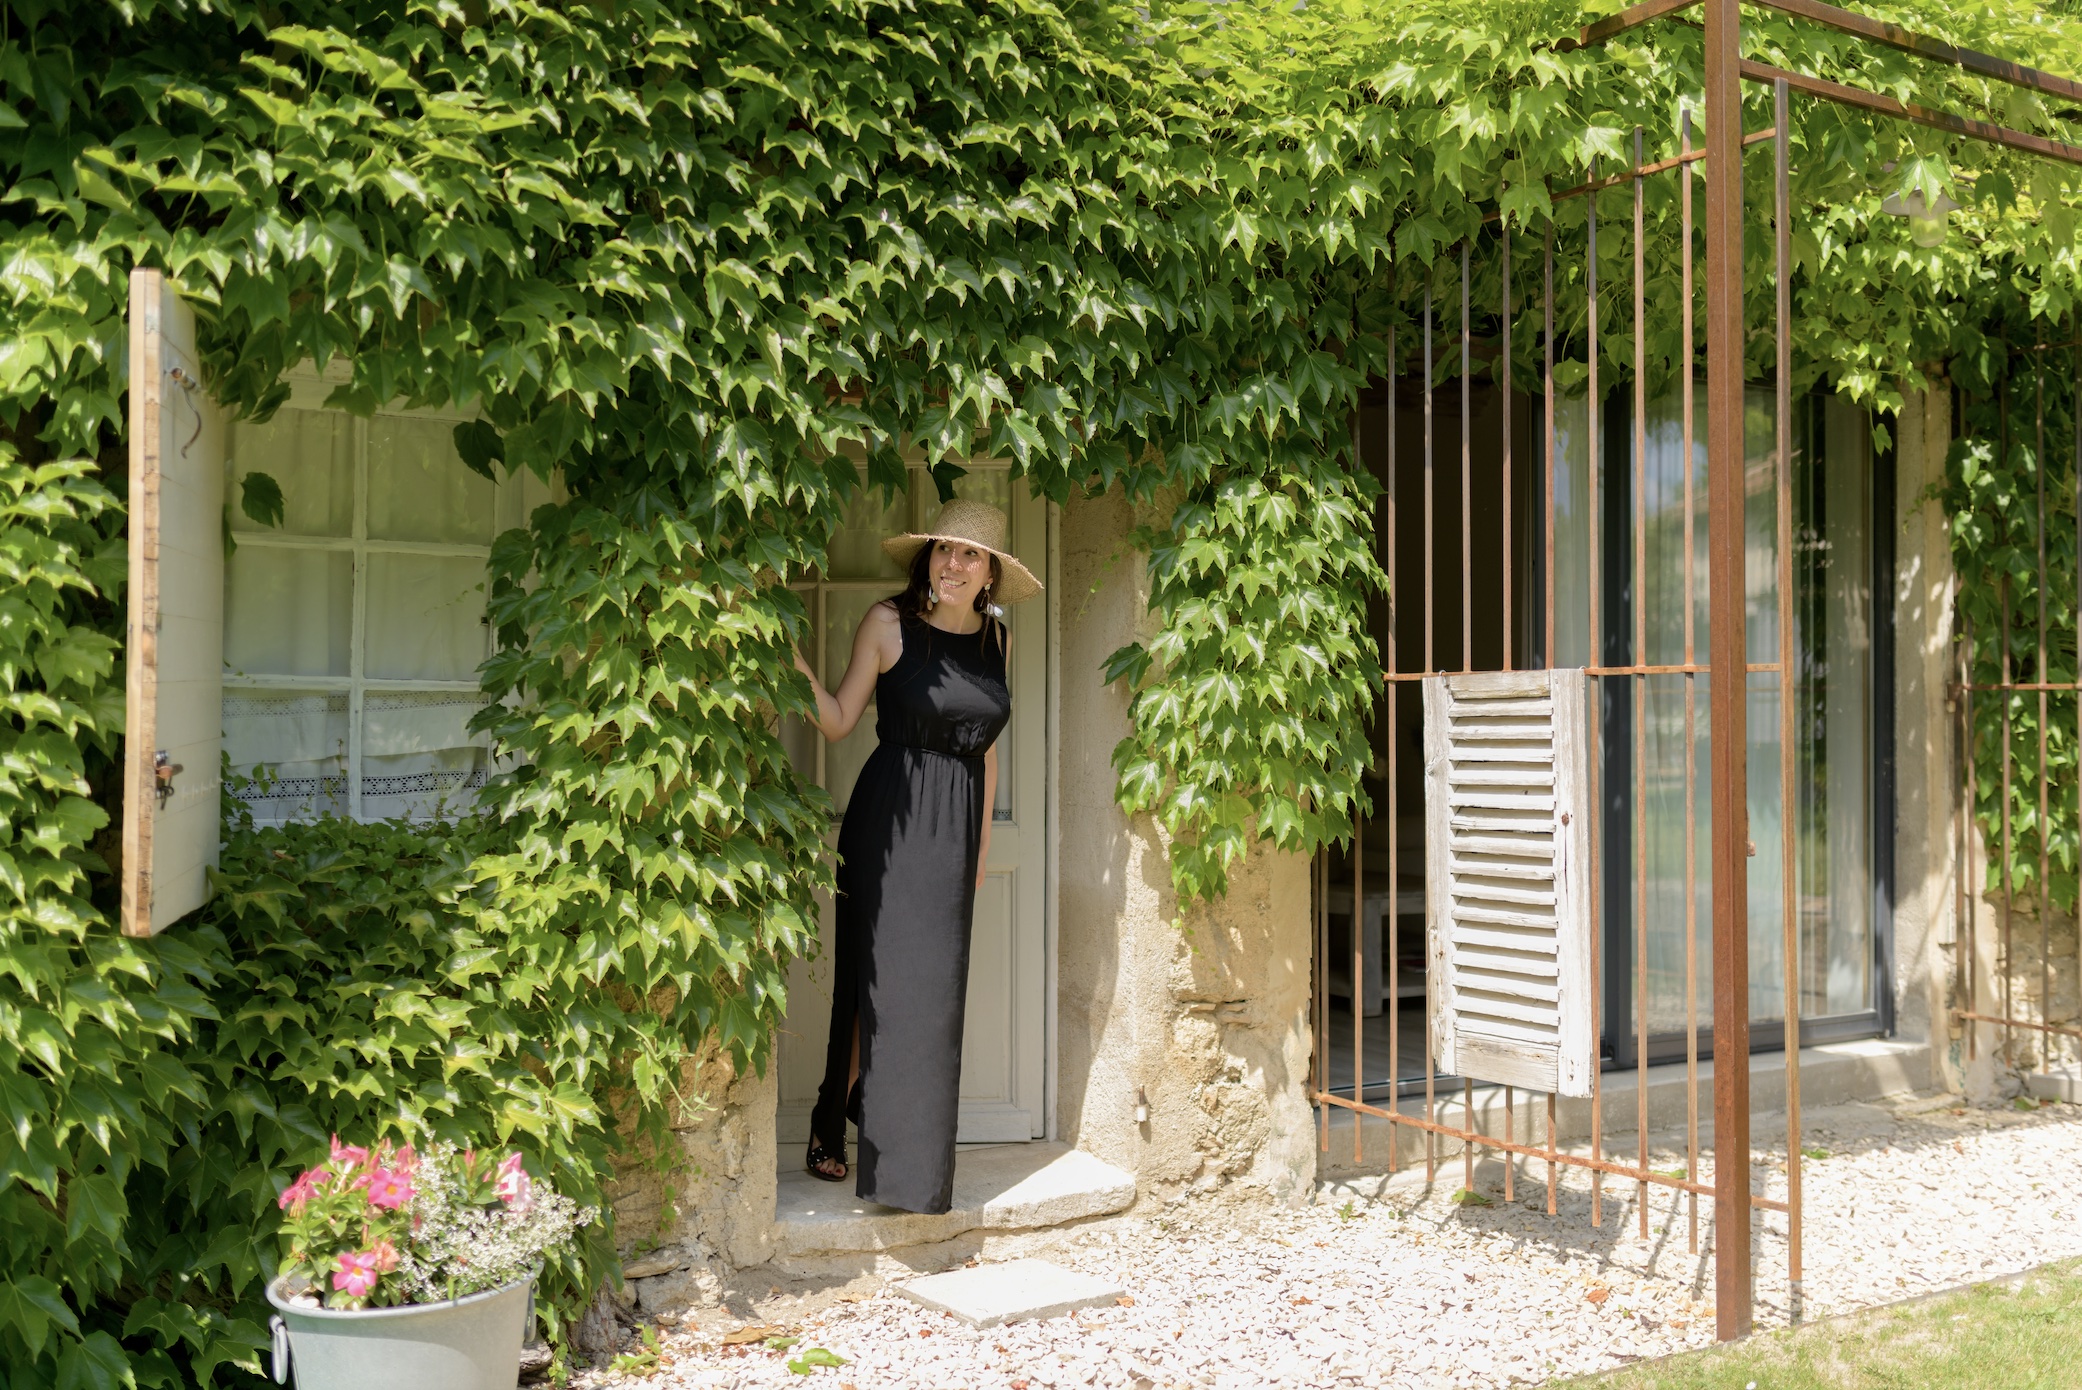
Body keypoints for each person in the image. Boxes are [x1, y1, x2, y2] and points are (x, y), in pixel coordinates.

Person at [791, 498, 1043, 1214]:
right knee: (875, 984)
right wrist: (789, 660)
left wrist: (983, 847)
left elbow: (988, 753)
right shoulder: (887, 625)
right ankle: (830, 1124)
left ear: (991, 572)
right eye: (943, 550)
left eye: (970, 555)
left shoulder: (1000, 644)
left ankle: (904, 1156)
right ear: (927, 560)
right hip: (890, 818)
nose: (953, 564)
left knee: (930, 999)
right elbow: (838, 722)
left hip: (956, 826)